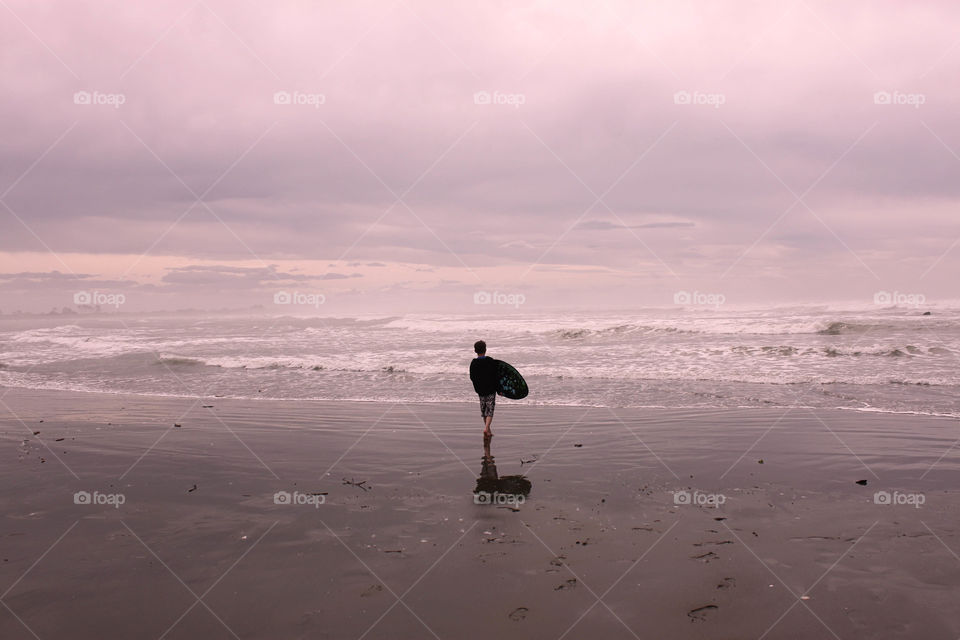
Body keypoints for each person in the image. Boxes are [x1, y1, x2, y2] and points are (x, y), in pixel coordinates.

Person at [469, 340, 498, 439]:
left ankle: (488, 430)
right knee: (490, 409)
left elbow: (472, 377)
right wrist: (500, 389)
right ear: (485, 350)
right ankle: (486, 428)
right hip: (491, 389)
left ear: (475, 351)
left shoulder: (473, 363)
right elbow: (496, 376)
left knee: (484, 409)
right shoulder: (490, 361)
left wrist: (477, 387)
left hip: (480, 390)